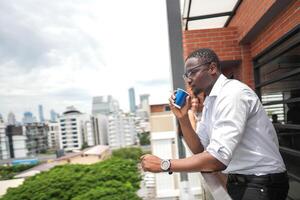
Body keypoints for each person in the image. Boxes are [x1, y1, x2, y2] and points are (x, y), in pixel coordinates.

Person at [140, 48, 289, 200]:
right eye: (186, 75)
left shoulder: (232, 94)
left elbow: (217, 160)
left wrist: (164, 165)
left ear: (212, 68)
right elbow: (200, 149)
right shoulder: (211, 102)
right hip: (242, 182)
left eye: (192, 72)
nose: (188, 79)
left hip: (261, 182)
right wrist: (183, 118)